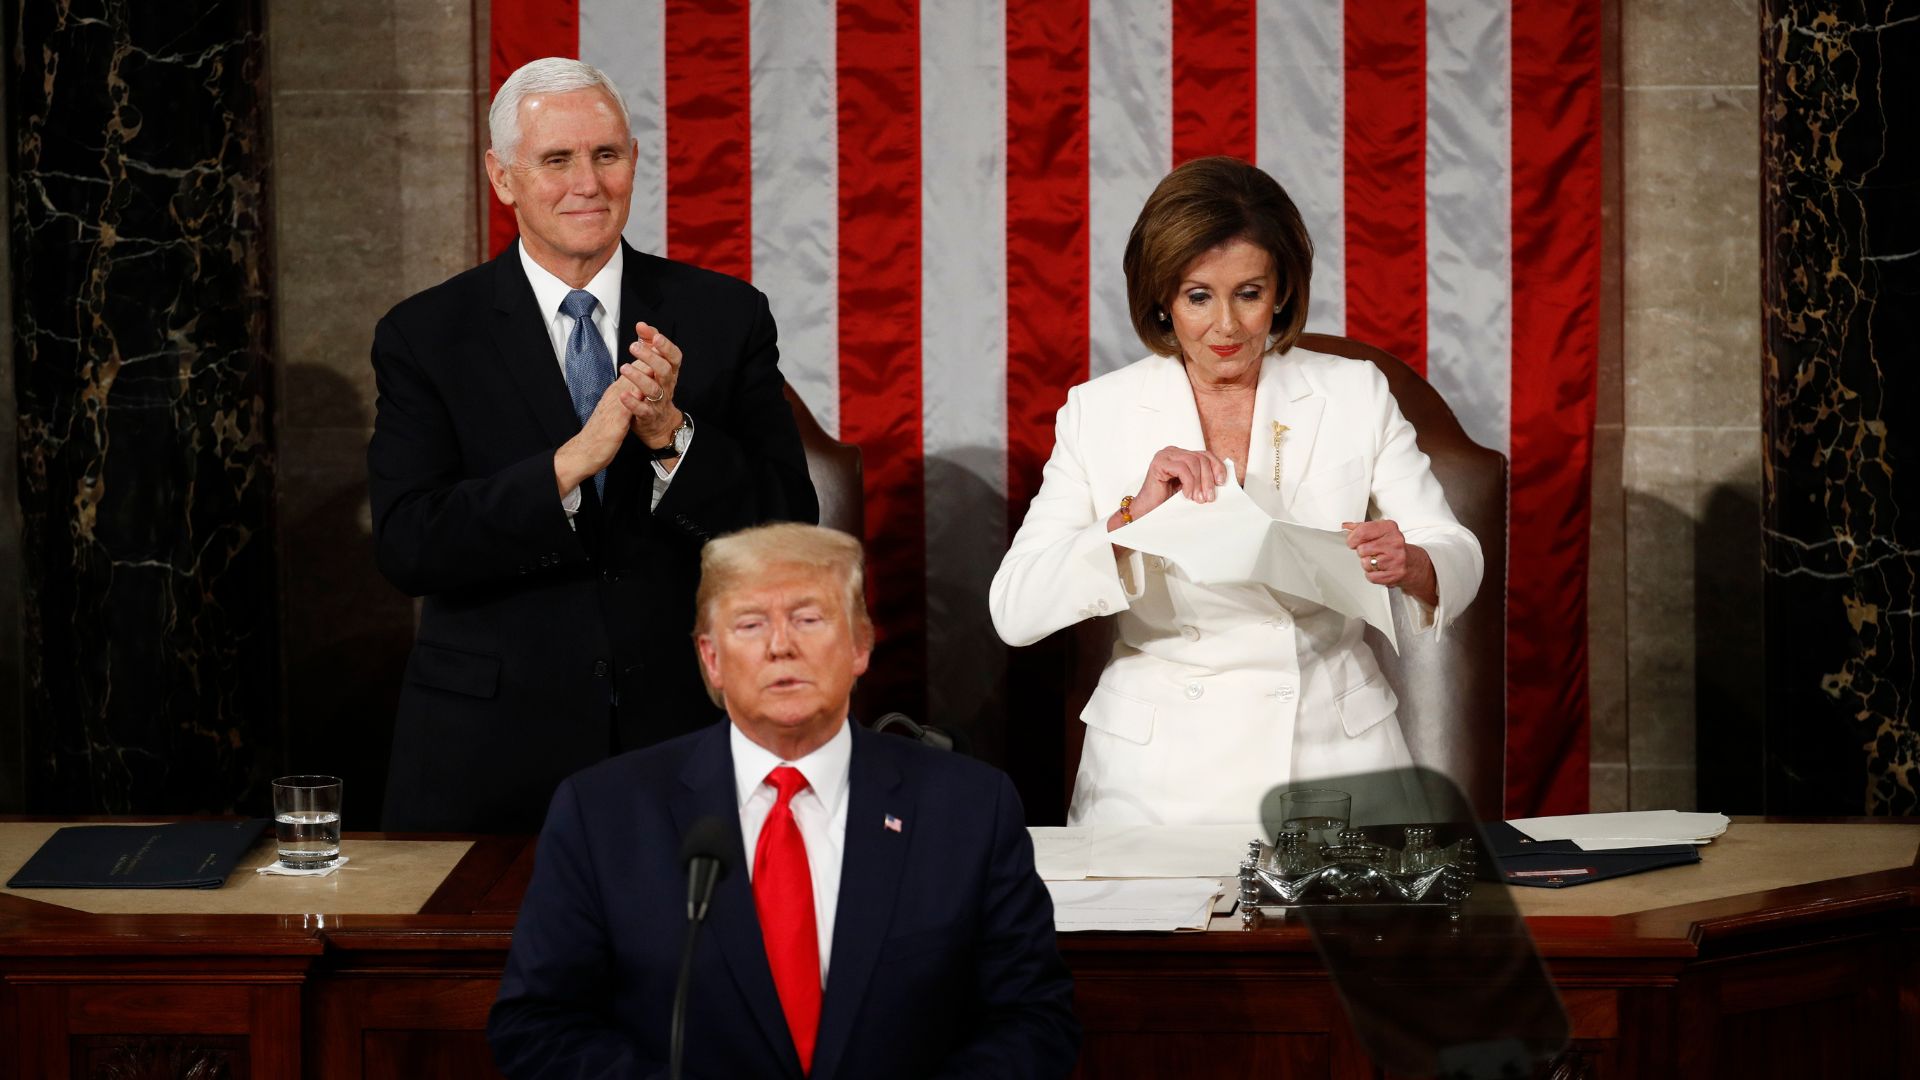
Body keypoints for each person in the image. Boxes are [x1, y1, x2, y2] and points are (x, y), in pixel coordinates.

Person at [368, 58, 816, 832]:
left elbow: (789, 529)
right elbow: (410, 544)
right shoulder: (427, 334)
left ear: (634, 162)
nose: (588, 182)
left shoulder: (723, 315)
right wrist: (568, 466)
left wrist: (672, 436)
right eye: (556, 159)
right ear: (502, 178)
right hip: (491, 751)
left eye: (606, 155)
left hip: (684, 734)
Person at [989, 156, 1482, 828]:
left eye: (1248, 293)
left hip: (1337, 759)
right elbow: (1014, 609)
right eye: (1199, 296)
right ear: (1161, 297)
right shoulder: (1097, 412)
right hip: (1158, 778)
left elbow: (1452, 546)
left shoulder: (1354, 392)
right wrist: (1132, 520)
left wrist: (1415, 563)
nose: (1226, 326)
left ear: (1281, 292)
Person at [489, 523, 1080, 1079]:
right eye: (749, 624)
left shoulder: (969, 808)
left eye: (809, 618)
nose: (780, 646)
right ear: (711, 659)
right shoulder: (604, 814)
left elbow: (1034, 1019)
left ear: (860, 647)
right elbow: (538, 1023)